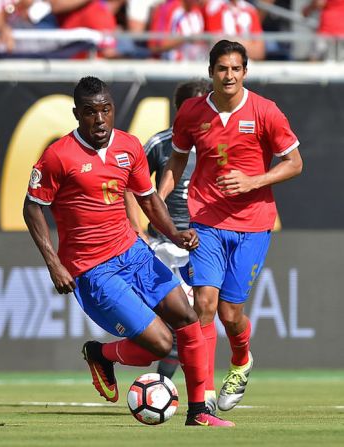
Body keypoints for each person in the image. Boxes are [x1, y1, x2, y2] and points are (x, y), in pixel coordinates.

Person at [23, 76, 234, 427]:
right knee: (162, 344)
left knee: (188, 321)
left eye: (106, 110)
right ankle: (101, 354)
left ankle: (199, 414)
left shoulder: (129, 146)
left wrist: (173, 233)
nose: (100, 120)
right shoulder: (58, 156)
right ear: (77, 114)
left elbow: (149, 199)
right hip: (94, 270)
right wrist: (53, 263)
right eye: (91, 112)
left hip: (134, 253)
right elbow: (32, 208)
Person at [159, 40, 303, 412]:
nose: (229, 75)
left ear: (245, 72)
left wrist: (254, 181)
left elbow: (295, 163)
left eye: (236, 69)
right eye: (222, 68)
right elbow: (176, 162)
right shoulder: (191, 112)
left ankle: (241, 360)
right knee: (204, 305)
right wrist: (158, 200)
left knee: (230, 314)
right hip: (205, 220)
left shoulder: (266, 112)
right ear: (211, 73)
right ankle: (202, 398)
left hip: (253, 224)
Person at [125, 79, 211, 383]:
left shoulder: (217, 144)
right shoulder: (161, 143)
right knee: (174, 322)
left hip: (202, 245)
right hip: (163, 243)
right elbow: (129, 184)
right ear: (180, 110)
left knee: (193, 320)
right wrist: (137, 229)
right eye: (196, 106)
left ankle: (174, 386)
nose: (204, 112)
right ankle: (166, 384)